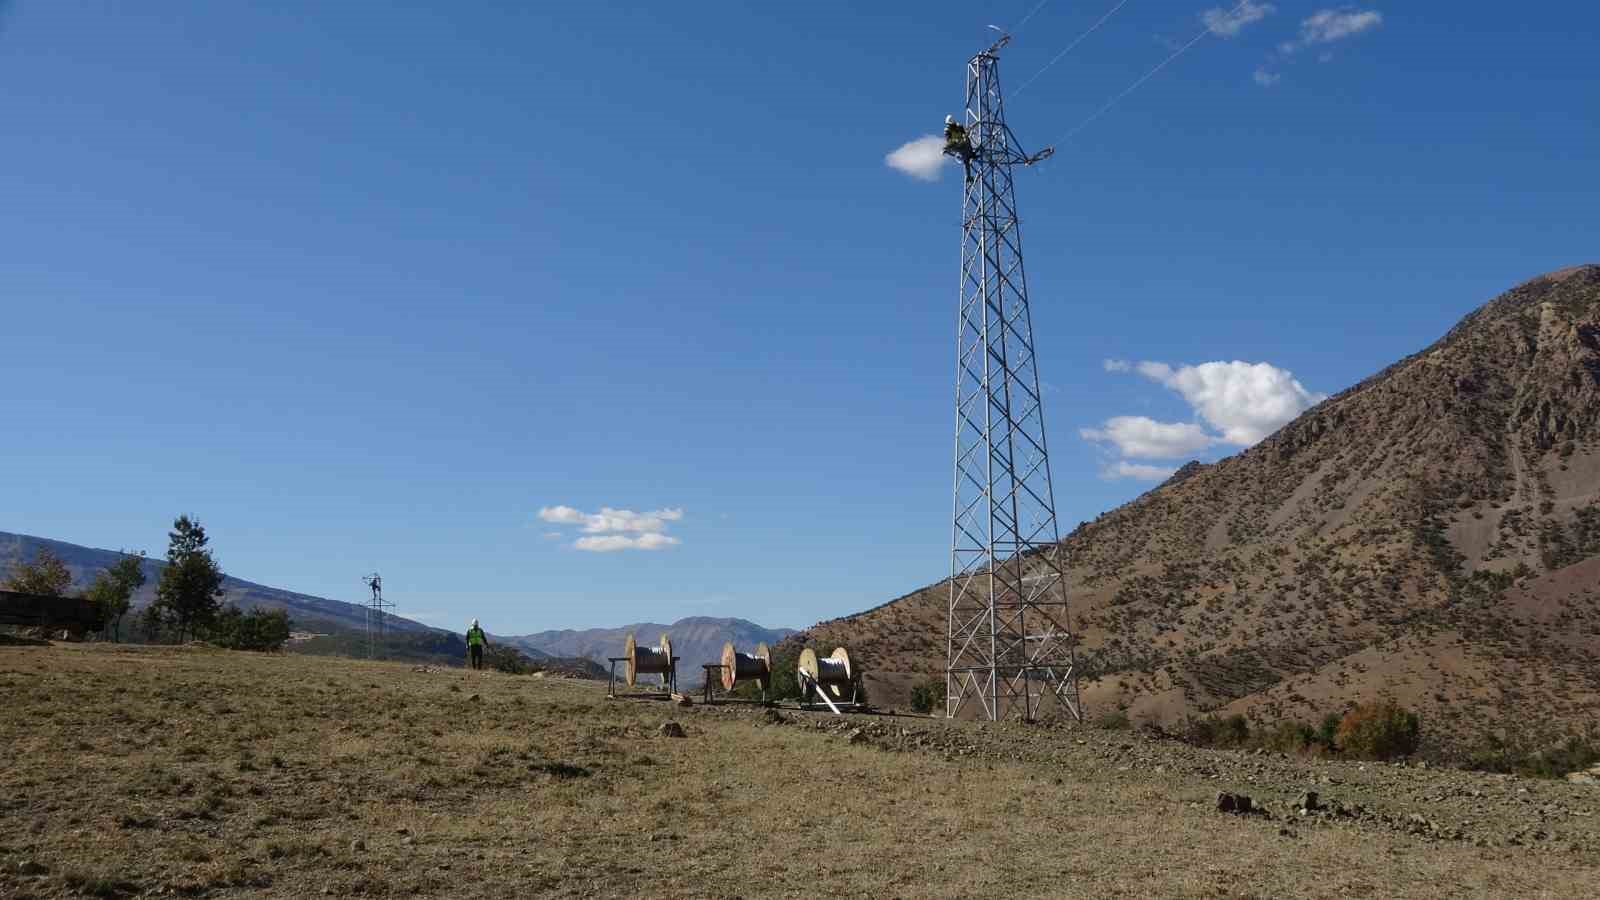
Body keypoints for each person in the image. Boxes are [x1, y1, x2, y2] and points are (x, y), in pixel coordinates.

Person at [944, 114, 976, 181]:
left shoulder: (959, 126)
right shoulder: (947, 130)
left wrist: (967, 133)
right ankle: (968, 176)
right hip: (957, 147)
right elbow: (948, 140)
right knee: (966, 160)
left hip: (964, 145)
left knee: (966, 140)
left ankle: (971, 154)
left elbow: (965, 134)